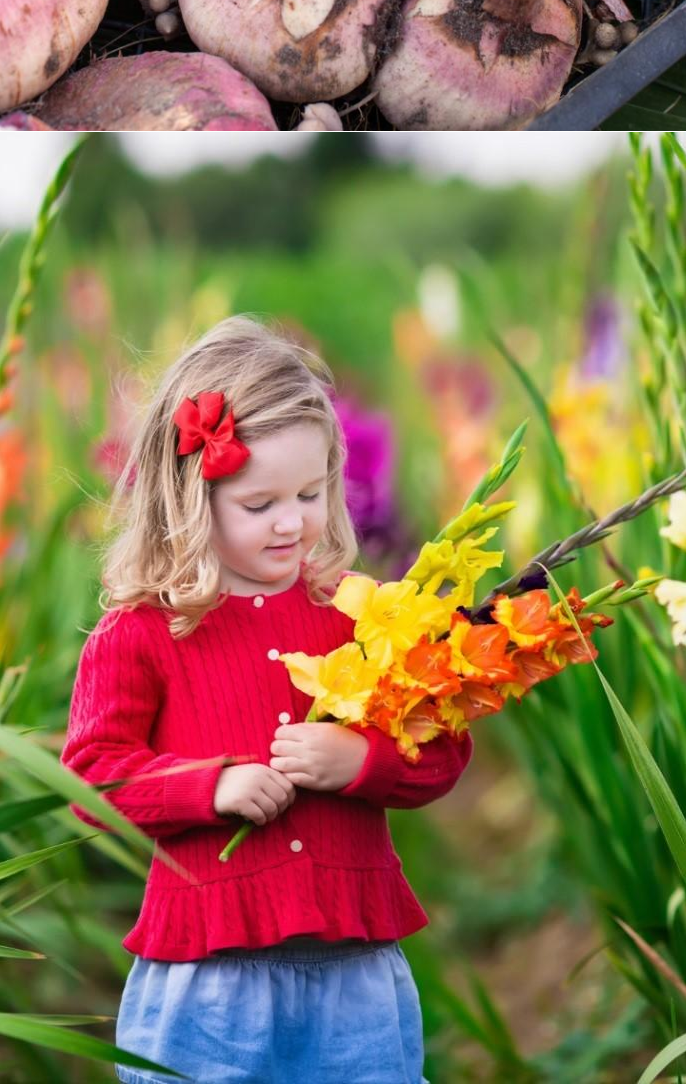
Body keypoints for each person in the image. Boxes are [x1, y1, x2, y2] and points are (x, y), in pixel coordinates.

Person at [61, 315, 473, 1084]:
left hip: (354, 975)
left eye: (312, 492)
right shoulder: (144, 630)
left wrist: (364, 759)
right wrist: (207, 785)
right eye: (260, 504)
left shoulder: (356, 611)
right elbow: (90, 773)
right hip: (210, 981)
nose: (293, 521)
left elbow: (444, 743)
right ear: (189, 497)